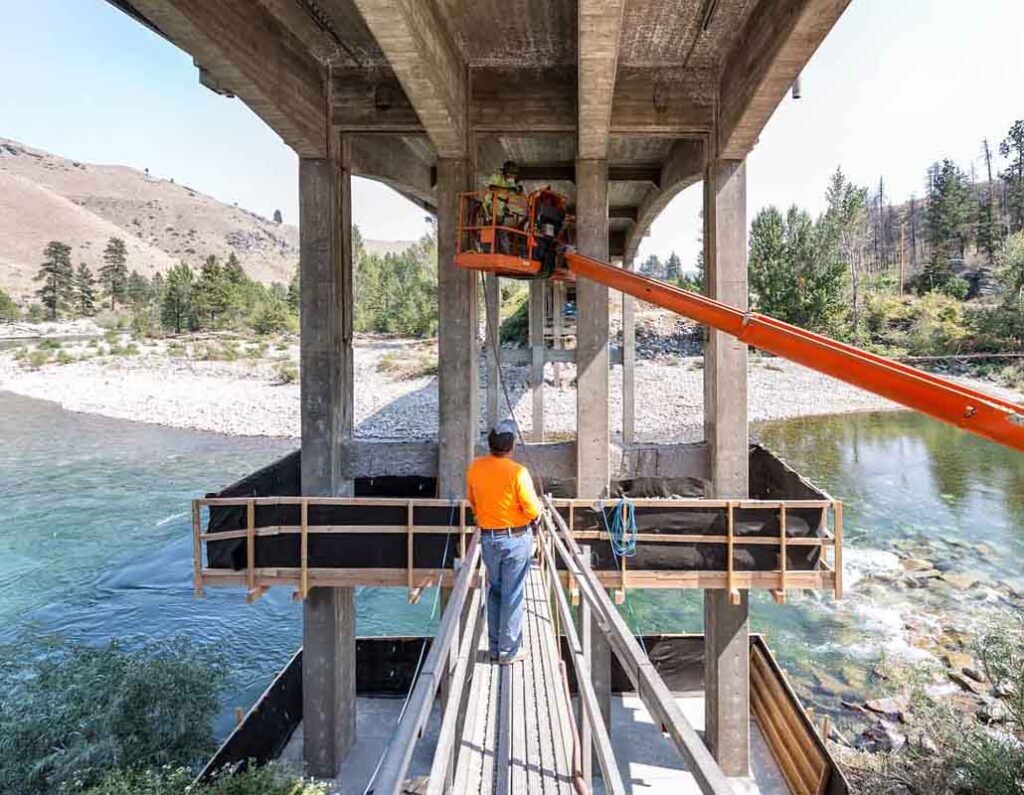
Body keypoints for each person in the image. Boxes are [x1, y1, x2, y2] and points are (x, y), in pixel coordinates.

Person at [466, 419, 542, 665]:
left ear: (490, 445)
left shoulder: (475, 468)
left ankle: (495, 646)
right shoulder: (518, 472)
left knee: (495, 590)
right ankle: (509, 650)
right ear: (512, 447)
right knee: (513, 593)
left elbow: (473, 501)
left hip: (488, 539)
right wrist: (537, 515)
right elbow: (532, 509)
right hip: (515, 538)